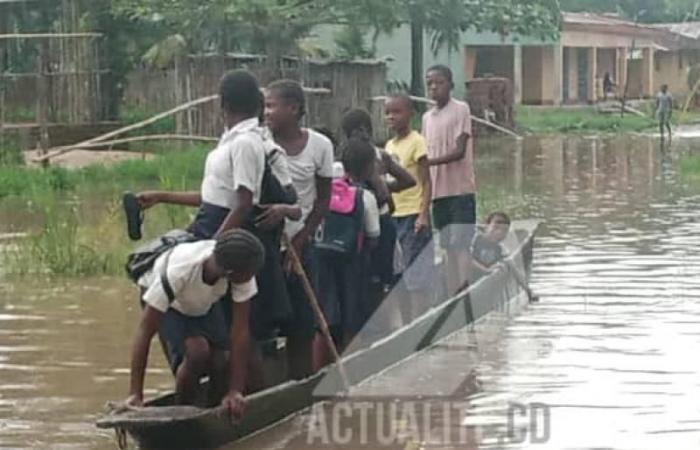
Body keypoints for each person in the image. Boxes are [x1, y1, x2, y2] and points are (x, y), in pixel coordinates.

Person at [133, 70, 298, 391]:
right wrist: (162, 196)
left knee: (239, 329)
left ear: (222, 104)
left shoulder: (247, 143)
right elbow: (214, 198)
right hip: (214, 230)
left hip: (224, 235)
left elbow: (243, 203)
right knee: (219, 331)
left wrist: (212, 247)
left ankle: (251, 394)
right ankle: (213, 386)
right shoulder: (235, 140)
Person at [125, 229, 265, 420]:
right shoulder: (180, 271)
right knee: (197, 352)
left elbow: (240, 332)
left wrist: (235, 391)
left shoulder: (239, 268)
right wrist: (136, 394)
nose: (251, 278)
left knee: (221, 358)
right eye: (249, 275)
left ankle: (216, 408)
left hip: (202, 302)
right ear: (231, 273)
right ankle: (183, 410)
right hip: (171, 303)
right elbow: (145, 331)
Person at [263, 79, 334, 379]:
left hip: (301, 244)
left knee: (302, 324)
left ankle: (301, 383)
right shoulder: (259, 142)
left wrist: (302, 240)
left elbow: (323, 199)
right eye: (264, 106)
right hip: (265, 244)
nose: (266, 112)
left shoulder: (320, 145)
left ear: (293, 109)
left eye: (271, 106)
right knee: (264, 322)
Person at [339, 109, 415, 325]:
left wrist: (378, 190)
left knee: (375, 276)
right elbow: (405, 183)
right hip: (378, 221)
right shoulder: (377, 155)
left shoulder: (353, 156)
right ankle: (401, 324)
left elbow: (388, 193)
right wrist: (383, 191)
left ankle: (380, 325)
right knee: (387, 276)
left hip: (362, 223)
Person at [314, 137, 381, 367]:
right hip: (353, 265)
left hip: (321, 263)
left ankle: (315, 375)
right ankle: (351, 371)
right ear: (370, 167)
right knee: (353, 321)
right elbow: (373, 238)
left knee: (323, 321)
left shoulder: (325, 190)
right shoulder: (366, 197)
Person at [423, 64, 476, 295]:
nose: (434, 87)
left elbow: (459, 151)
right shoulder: (427, 118)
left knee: (461, 243)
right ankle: (453, 289)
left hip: (460, 190)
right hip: (438, 192)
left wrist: (429, 163)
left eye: (439, 82)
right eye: (430, 84)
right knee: (447, 245)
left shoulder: (461, 109)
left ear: (450, 85)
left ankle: (464, 287)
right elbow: (425, 150)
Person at [384, 93, 435, 323]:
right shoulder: (389, 146)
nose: (391, 117)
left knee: (418, 275)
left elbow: (426, 181)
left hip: (414, 214)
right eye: (388, 112)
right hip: (395, 215)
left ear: (410, 114)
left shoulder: (417, 141)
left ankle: (419, 324)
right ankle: (406, 325)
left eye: (397, 112)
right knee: (399, 276)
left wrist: (423, 214)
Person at [470, 212, 536, 302]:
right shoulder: (474, 240)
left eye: (504, 230)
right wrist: (486, 269)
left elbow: (514, 269)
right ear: (486, 226)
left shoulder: (500, 249)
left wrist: (528, 291)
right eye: (495, 228)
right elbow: (466, 259)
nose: (499, 232)